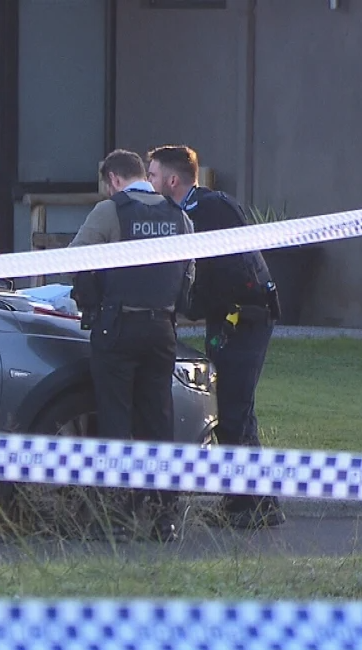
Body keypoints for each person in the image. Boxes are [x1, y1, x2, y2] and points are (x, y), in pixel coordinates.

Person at [146, 144, 285, 530]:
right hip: (228, 319)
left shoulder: (208, 211)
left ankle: (249, 507)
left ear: (172, 180)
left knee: (233, 411)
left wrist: (184, 303)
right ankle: (256, 503)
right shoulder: (192, 211)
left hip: (244, 320)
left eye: (153, 175)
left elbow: (214, 274)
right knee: (236, 411)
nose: (149, 182)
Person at [67, 149, 195, 541]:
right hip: (162, 329)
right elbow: (189, 276)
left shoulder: (111, 211)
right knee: (158, 420)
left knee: (115, 419)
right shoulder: (180, 217)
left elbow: (75, 262)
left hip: (118, 328)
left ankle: (117, 519)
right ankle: (164, 518)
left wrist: (90, 301)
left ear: (114, 180)